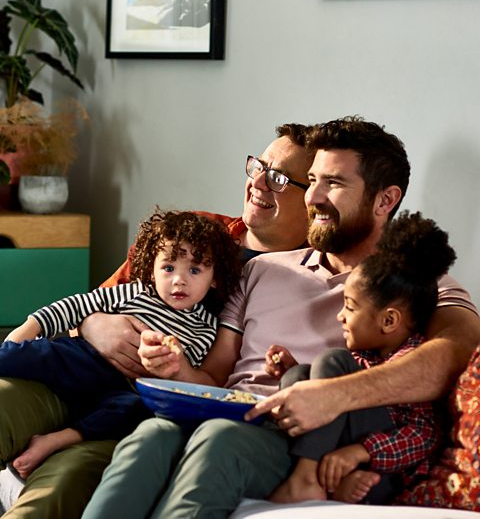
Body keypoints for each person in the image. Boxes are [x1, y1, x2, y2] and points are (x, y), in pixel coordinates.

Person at [81, 117, 480, 519]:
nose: (314, 197)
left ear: (384, 200)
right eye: (313, 180)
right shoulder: (262, 269)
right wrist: (175, 367)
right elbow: (215, 377)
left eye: (334, 183)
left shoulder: (416, 286)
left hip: (302, 439)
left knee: (221, 440)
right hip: (228, 412)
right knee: (150, 436)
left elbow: (453, 355)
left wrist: (331, 395)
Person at [0, 123, 314, 519]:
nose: (258, 184)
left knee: (62, 484)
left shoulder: (308, 281)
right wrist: (96, 325)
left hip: (133, 410)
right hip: (72, 372)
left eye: (279, 179)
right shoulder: (191, 231)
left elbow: (222, 385)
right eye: (259, 167)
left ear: (313, 199)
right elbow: (92, 304)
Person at [0, 209, 241, 480]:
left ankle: (56, 440)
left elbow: (183, 383)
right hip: (85, 360)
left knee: (132, 411)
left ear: (215, 277)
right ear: (152, 268)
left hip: (124, 388)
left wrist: (172, 365)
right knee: (35, 354)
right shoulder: (136, 292)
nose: (179, 280)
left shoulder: (206, 330)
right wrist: (28, 328)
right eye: (168, 268)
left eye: (195, 270)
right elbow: (76, 306)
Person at [267, 210, 456, 505]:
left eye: (350, 307)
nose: (340, 316)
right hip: (346, 459)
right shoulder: (368, 356)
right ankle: (328, 483)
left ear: (389, 321)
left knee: (333, 362)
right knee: (298, 376)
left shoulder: (413, 361)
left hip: (387, 473)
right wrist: (292, 369)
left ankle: (305, 478)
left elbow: (424, 435)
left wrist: (362, 451)